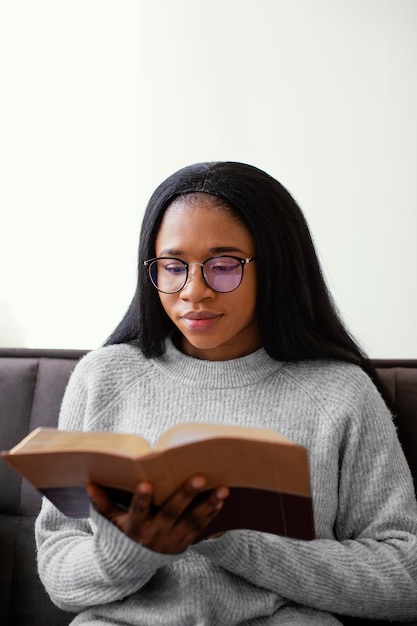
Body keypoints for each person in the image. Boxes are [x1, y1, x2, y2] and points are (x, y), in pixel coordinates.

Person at [35, 161, 417, 625]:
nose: (194, 292)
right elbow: (58, 572)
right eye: (173, 267)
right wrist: (132, 554)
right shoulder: (104, 378)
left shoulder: (338, 392)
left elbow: (404, 578)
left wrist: (231, 540)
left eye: (223, 266)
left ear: (275, 266)